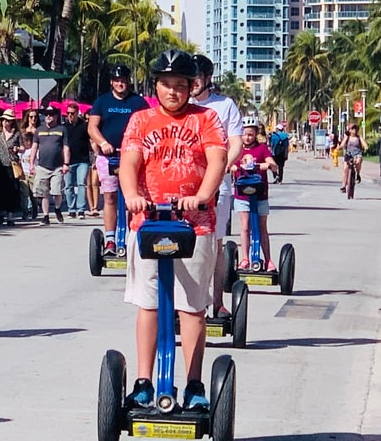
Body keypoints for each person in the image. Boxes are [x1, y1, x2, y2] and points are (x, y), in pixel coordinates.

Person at [119, 49, 227, 411]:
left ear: (191, 87)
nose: (172, 92)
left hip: (194, 225)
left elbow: (217, 160)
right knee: (149, 305)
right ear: (156, 86)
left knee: (193, 307)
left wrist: (203, 195)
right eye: (165, 85)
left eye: (180, 85)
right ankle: (144, 382)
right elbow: (130, 161)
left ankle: (194, 384)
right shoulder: (140, 120)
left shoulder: (207, 119)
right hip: (148, 222)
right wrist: (133, 195)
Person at [187, 53, 243, 319]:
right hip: (184, 185)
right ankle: (185, 303)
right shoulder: (181, 105)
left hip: (218, 185)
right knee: (182, 243)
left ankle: (217, 301)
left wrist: (218, 171)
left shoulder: (224, 105)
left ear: (207, 79)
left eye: (197, 77)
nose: (193, 83)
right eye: (191, 77)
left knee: (215, 244)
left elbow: (236, 144)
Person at [88, 64, 151, 251]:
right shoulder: (102, 101)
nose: (120, 83)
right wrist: (103, 143)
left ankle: (133, 236)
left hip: (133, 157)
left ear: (128, 81)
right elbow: (92, 128)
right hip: (109, 157)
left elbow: (148, 125)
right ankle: (110, 240)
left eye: (123, 80)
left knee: (133, 199)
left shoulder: (138, 102)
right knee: (110, 198)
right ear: (111, 83)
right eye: (117, 81)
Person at [232, 118, 278, 271]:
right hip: (242, 195)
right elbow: (226, 162)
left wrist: (269, 165)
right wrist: (231, 167)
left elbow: (273, 164)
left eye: (250, 135)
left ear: (256, 134)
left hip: (260, 194)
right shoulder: (237, 149)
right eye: (244, 134)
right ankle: (245, 258)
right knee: (245, 227)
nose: (247, 138)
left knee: (261, 226)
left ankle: (268, 260)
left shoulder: (262, 148)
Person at [29, 106, 69, 225]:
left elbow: (66, 147)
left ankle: (57, 208)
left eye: (51, 114)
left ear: (56, 116)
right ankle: (46, 216)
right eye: (46, 114)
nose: (48, 117)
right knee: (43, 192)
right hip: (42, 166)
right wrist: (31, 163)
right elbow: (34, 147)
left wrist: (66, 163)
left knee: (57, 191)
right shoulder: (39, 130)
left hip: (57, 166)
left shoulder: (62, 129)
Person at [0, 109, 22, 226]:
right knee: (0, 190)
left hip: (11, 165)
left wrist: (17, 149)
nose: (6, 123)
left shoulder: (16, 134)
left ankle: (10, 215)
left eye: (9, 121)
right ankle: (1, 212)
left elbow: (23, 147)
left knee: (11, 190)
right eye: (5, 120)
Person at [63, 103, 92, 218]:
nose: (70, 116)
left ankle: (81, 209)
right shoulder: (64, 127)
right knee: (68, 185)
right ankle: (71, 209)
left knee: (81, 184)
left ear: (77, 113)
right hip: (68, 161)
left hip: (82, 160)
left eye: (72, 113)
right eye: (68, 113)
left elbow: (91, 140)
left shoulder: (84, 126)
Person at [338, 124, 366, 192]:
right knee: (345, 170)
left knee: (358, 161)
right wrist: (339, 147)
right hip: (349, 154)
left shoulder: (359, 137)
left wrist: (365, 147)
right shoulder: (347, 137)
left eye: (355, 128)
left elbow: (364, 144)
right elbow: (342, 144)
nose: (354, 130)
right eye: (353, 128)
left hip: (357, 154)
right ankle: (344, 186)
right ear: (349, 130)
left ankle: (358, 174)